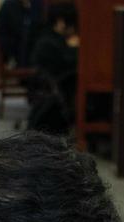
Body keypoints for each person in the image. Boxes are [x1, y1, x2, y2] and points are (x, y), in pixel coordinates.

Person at [27, 3, 79, 135]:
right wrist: (75, 47)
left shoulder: (46, 36)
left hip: (47, 95)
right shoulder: (51, 43)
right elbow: (69, 65)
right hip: (55, 99)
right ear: (61, 22)